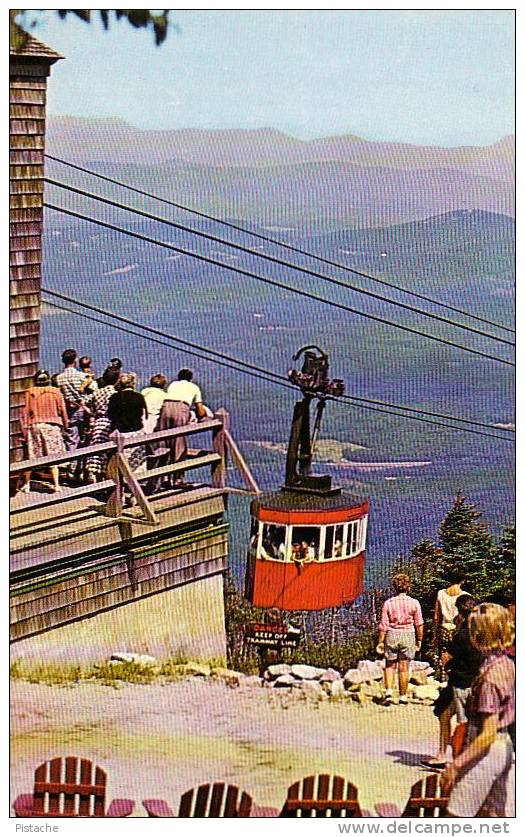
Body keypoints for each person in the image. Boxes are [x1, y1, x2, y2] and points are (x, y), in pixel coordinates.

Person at [442, 603, 515, 817]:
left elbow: (487, 733)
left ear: (477, 636)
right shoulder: (507, 665)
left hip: (485, 750)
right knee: (491, 815)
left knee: (456, 817)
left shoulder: (489, 680)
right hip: (504, 747)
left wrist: (456, 765)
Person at [422, 594, 483, 769]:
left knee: (461, 720)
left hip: (461, 681)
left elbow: (445, 658)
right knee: (445, 713)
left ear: (459, 611)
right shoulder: (481, 632)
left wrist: (442, 657)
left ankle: (454, 756)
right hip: (476, 679)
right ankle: (446, 753)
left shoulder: (462, 635)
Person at [377, 573, 424, 705]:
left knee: (390, 665)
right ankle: (403, 696)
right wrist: (419, 640)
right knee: (404, 667)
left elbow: (383, 625)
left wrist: (380, 641)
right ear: (408, 587)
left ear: (395, 587)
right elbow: (419, 623)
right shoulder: (414, 603)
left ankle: (389, 693)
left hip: (392, 634)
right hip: (408, 634)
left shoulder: (388, 603)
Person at [19, 370, 69, 493]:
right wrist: (66, 425)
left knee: (32, 455)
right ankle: (56, 485)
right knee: (53, 456)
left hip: (35, 425)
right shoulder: (56, 392)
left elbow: (25, 413)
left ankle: (27, 484)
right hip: (53, 426)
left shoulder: (30, 392)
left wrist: (24, 430)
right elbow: (62, 410)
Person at [158, 369, 206, 464]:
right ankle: (177, 473)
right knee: (178, 440)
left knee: (163, 439)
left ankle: (161, 472)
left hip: (166, 407)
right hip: (181, 408)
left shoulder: (173, 384)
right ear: (190, 379)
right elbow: (200, 410)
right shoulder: (194, 387)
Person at [84, 366, 120, 483]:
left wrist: (92, 412)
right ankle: (105, 478)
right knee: (108, 451)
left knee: (96, 449)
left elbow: (84, 401)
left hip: (98, 421)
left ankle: (93, 473)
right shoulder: (114, 393)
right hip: (109, 422)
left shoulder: (98, 392)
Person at [107, 373, 148, 476]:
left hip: (119, 434)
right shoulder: (139, 397)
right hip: (136, 432)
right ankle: (136, 483)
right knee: (136, 462)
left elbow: (110, 415)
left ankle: (119, 482)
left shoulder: (114, 397)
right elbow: (144, 415)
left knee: (119, 461)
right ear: (133, 383)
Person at [55, 348, 91, 457]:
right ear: (75, 360)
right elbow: (93, 388)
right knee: (87, 438)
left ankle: (72, 465)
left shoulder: (59, 378)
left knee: (72, 439)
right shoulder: (82, 376)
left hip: (69, 411)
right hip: (83, 409)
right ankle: (84, 464)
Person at [434, 571, 468, 676]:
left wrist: (435, 634)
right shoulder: (465, 596)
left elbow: (436, 616)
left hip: (443, 628)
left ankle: (443, 680)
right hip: (457, 630)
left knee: (443, 656)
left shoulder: (441, 594)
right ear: (462, 580)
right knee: (458, 656)